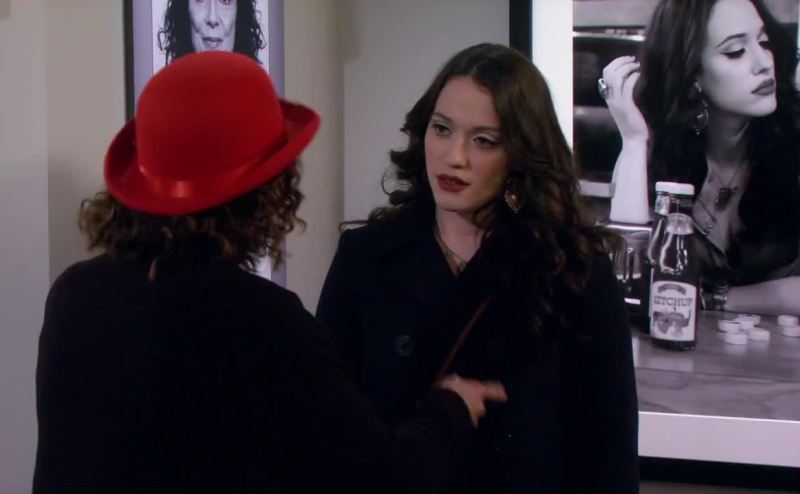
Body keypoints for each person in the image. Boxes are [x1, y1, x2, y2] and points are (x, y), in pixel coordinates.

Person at [32, 51, 508, 493]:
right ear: (268, 193)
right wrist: (451, 407)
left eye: (483, 140)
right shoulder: (258, 318)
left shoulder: (75, 294)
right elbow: (383, 477)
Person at [317, 43, 639, 493]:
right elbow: (328, 434)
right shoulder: (366, 258)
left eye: (483, 140)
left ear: (520, 154)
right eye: (442, 129)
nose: (455, 157)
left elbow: (608, 457)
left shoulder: (573, 271)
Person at [601, 0, 800, 315]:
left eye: (764, 42)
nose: (764, 62)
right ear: (692, 74)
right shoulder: (657, 151)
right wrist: (634, 142)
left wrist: (713, 299)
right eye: (736, 51)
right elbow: (625, 287)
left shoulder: (792, 140)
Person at [157, 0, 266, 64]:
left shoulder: (260, 94)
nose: (212, 18)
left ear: (240, 12)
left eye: (225, 0)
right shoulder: (162, 94)